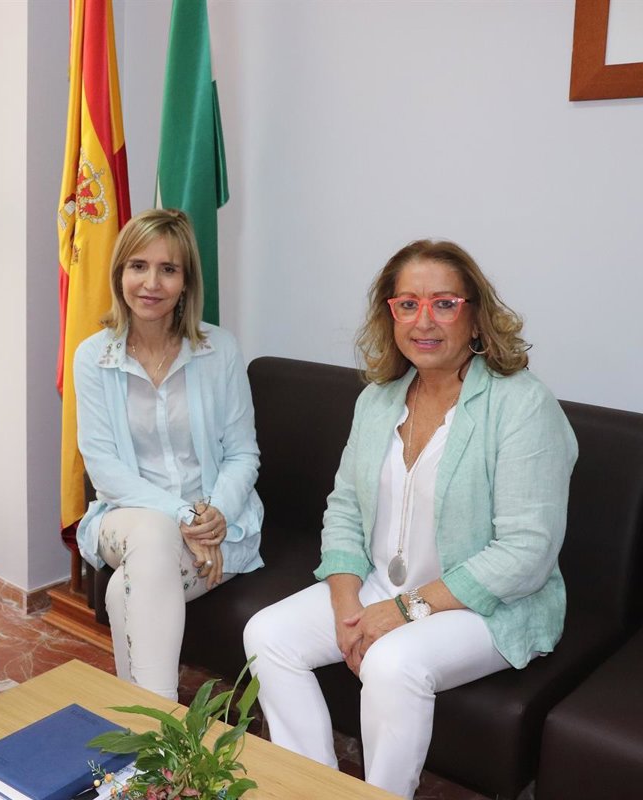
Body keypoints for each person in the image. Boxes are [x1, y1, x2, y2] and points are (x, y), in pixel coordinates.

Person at [243, 240, 577, 798]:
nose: (424, 320)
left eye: (444, 303)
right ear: (390, 314)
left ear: (475, 317)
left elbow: (526, 553)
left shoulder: (522, 405)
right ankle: (313, 787)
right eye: (408, 304)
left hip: (485, 605)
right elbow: (344, 508)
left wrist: (402, 611)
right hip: (383, 586)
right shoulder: (379, 399)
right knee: (267, 635)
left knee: (391, 662)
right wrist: (348, 605)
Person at [74, 208, 264, 701]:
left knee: (123, 590)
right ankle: (165, 725)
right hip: (126, 519)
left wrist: (214, 515)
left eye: (168, 269)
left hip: (216, 526)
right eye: (138, 266)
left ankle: (149, 728)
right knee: (152, 532)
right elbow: (105, 471)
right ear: (120, 273)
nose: (151, 283)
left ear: (186, 281)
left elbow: (242, 453)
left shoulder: (220, 349)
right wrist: (184, 516)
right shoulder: (93, 357)